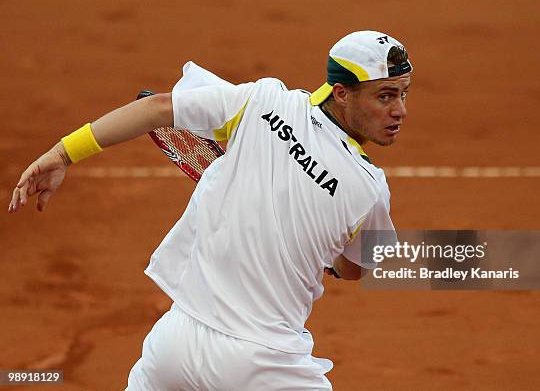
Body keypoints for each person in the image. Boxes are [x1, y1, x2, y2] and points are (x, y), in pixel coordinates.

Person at [8, 30, 412, 390]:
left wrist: (63, 153)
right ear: (342, 93)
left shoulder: (262, 101)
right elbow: (357, 267)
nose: (399, 111)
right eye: (385, 96)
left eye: (403, 93)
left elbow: (160, 108)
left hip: (175, 345)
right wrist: (330, 259)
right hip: (265, 365)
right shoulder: (369, 188)